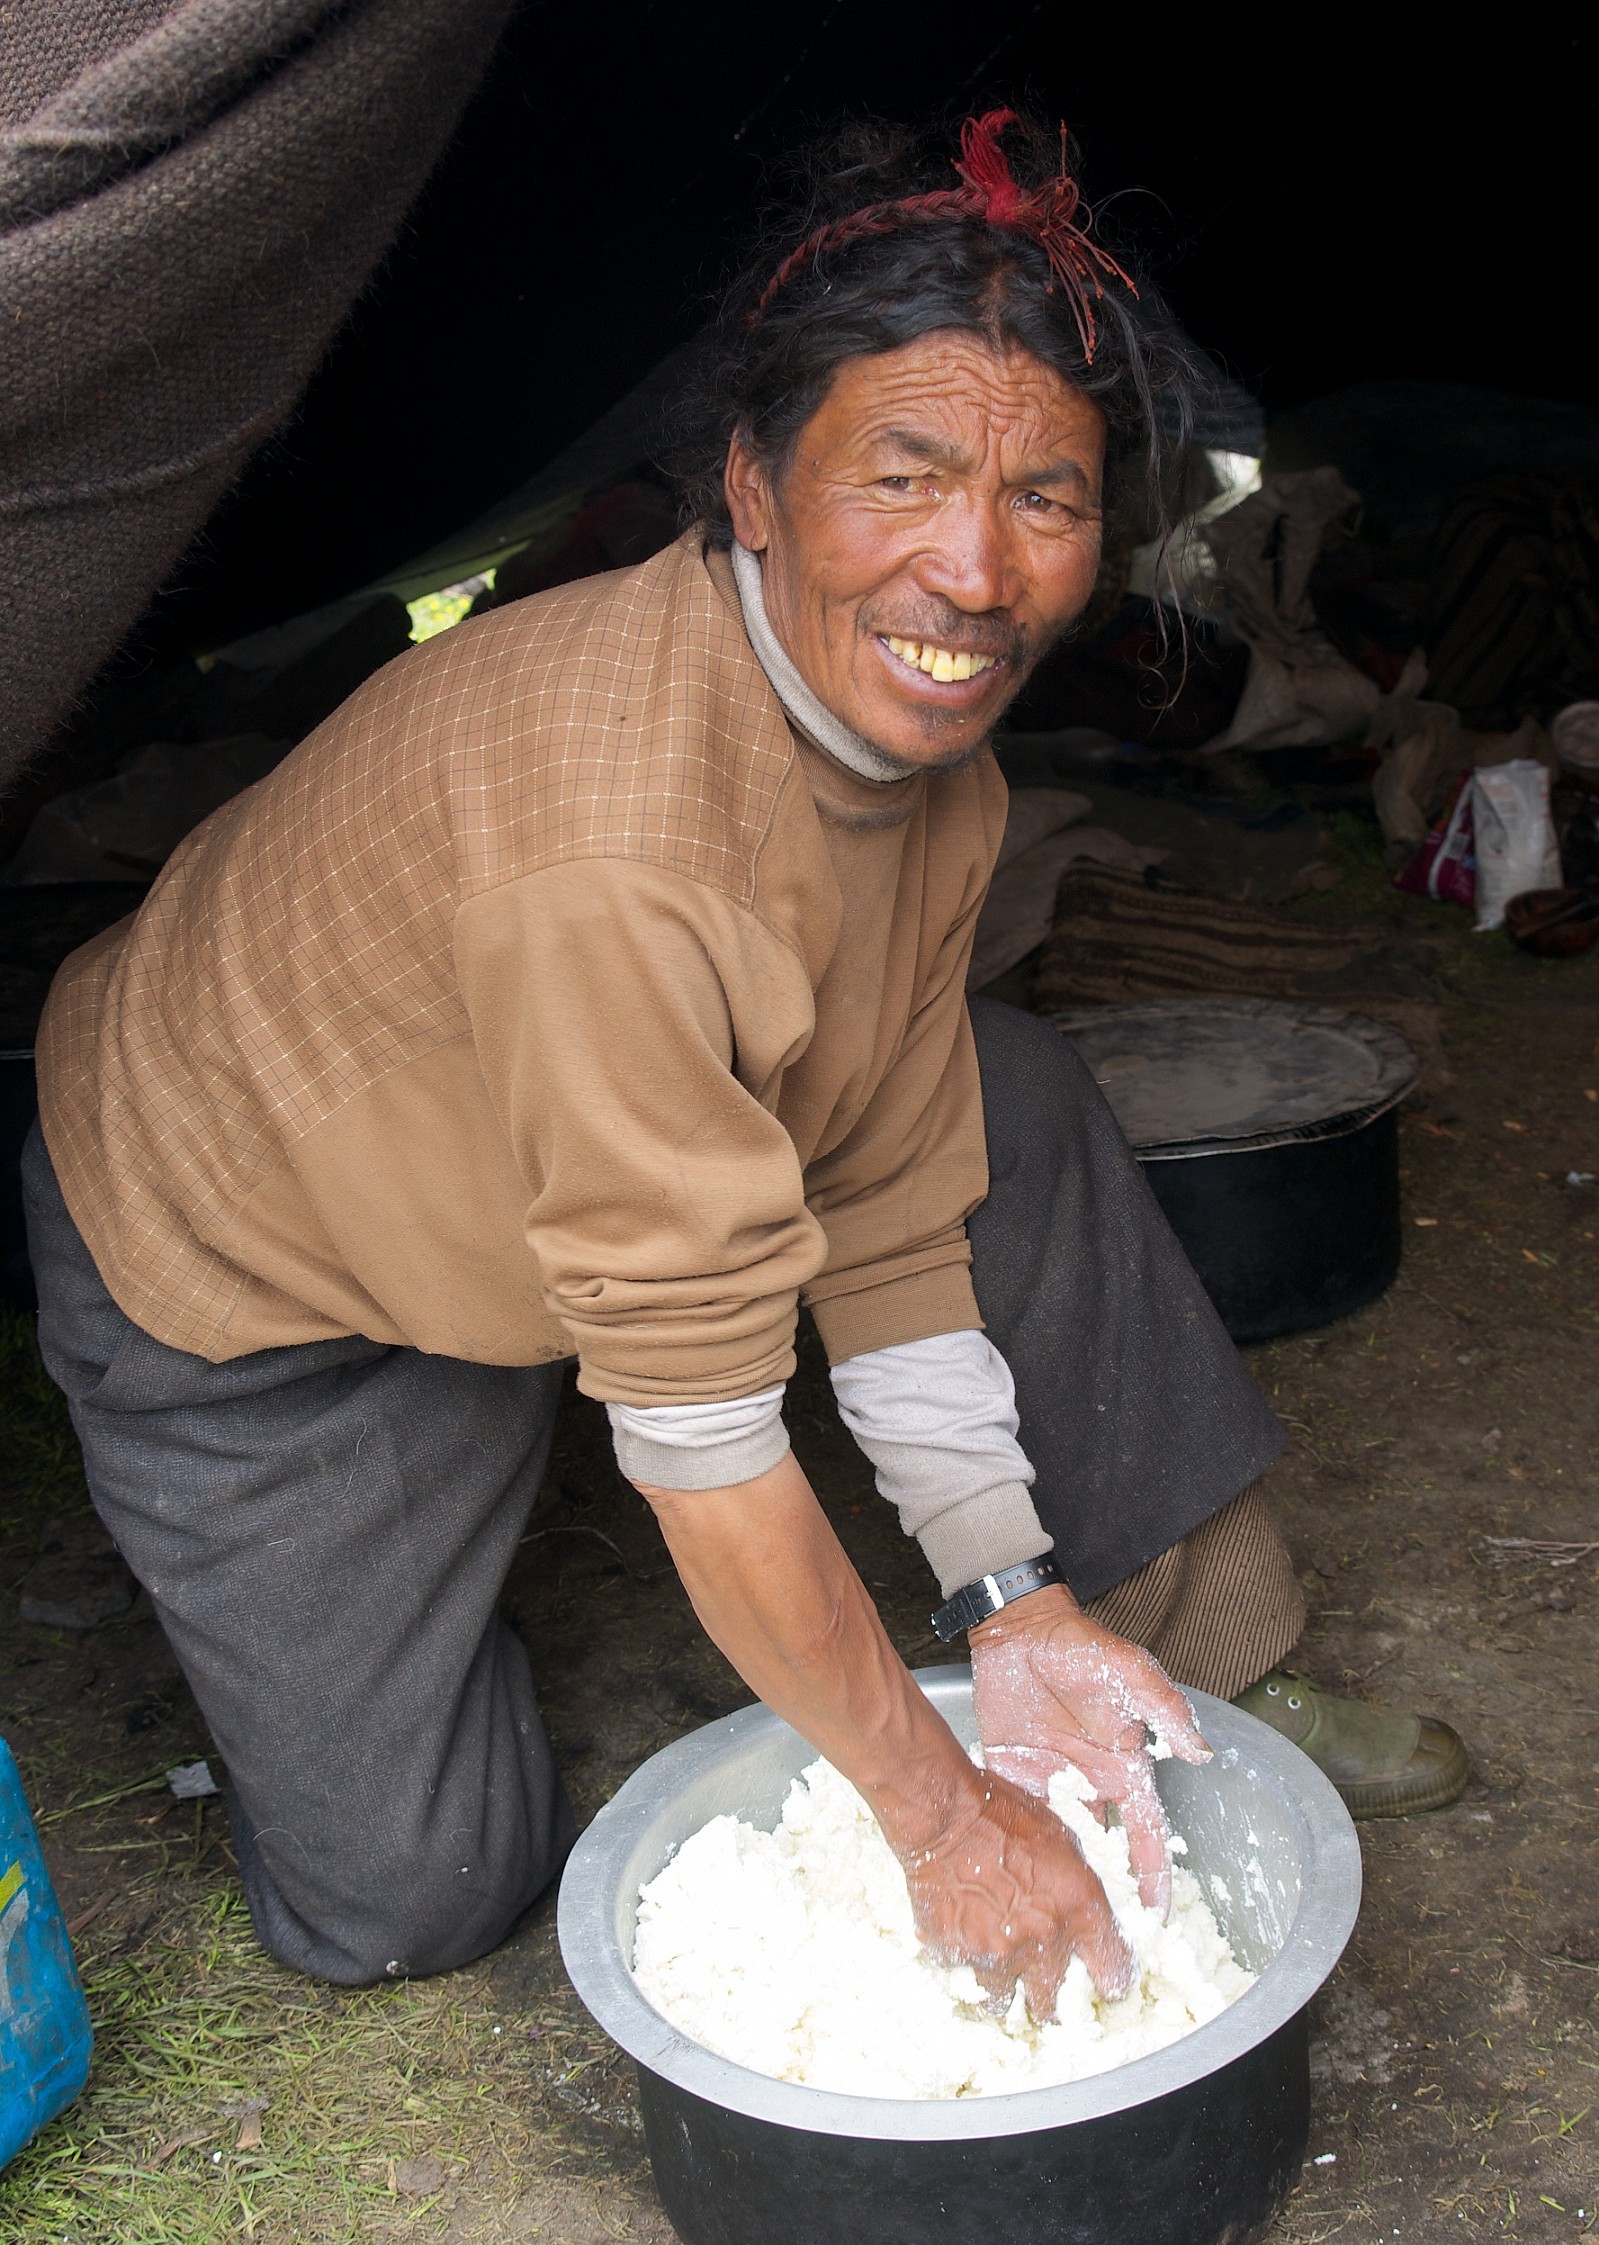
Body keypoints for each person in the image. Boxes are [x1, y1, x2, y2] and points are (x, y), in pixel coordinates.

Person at [24, 110, 1466, 2008]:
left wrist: (1003, 1592)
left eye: (1045, 499)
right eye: (907, 473)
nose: (972, 572)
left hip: (559, 1184)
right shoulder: (616, 847)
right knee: (412, 1896)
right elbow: (704, 1440)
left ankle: (1192, 1672)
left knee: (1008, 1092)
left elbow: (879, 1183)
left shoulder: (934, 768)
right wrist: (942, 1825)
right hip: (269, 1271)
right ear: (755, 489)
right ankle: (422, 1456)